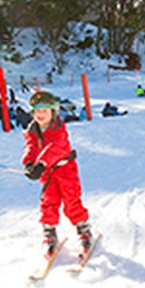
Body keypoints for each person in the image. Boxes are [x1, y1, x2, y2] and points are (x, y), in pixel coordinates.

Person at [22, 90, 94, 261]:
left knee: (71, 200)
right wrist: (29, 163)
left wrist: (42, 163)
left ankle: (83, 229)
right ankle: (49, 232)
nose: (40, 115)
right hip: (47, 172)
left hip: (65, 169)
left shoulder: (59, 129)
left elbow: (56, 147)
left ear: (53, 112)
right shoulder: (33, 129)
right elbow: (31, 146)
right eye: (37, 112)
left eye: (44, 111)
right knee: (48, 200)